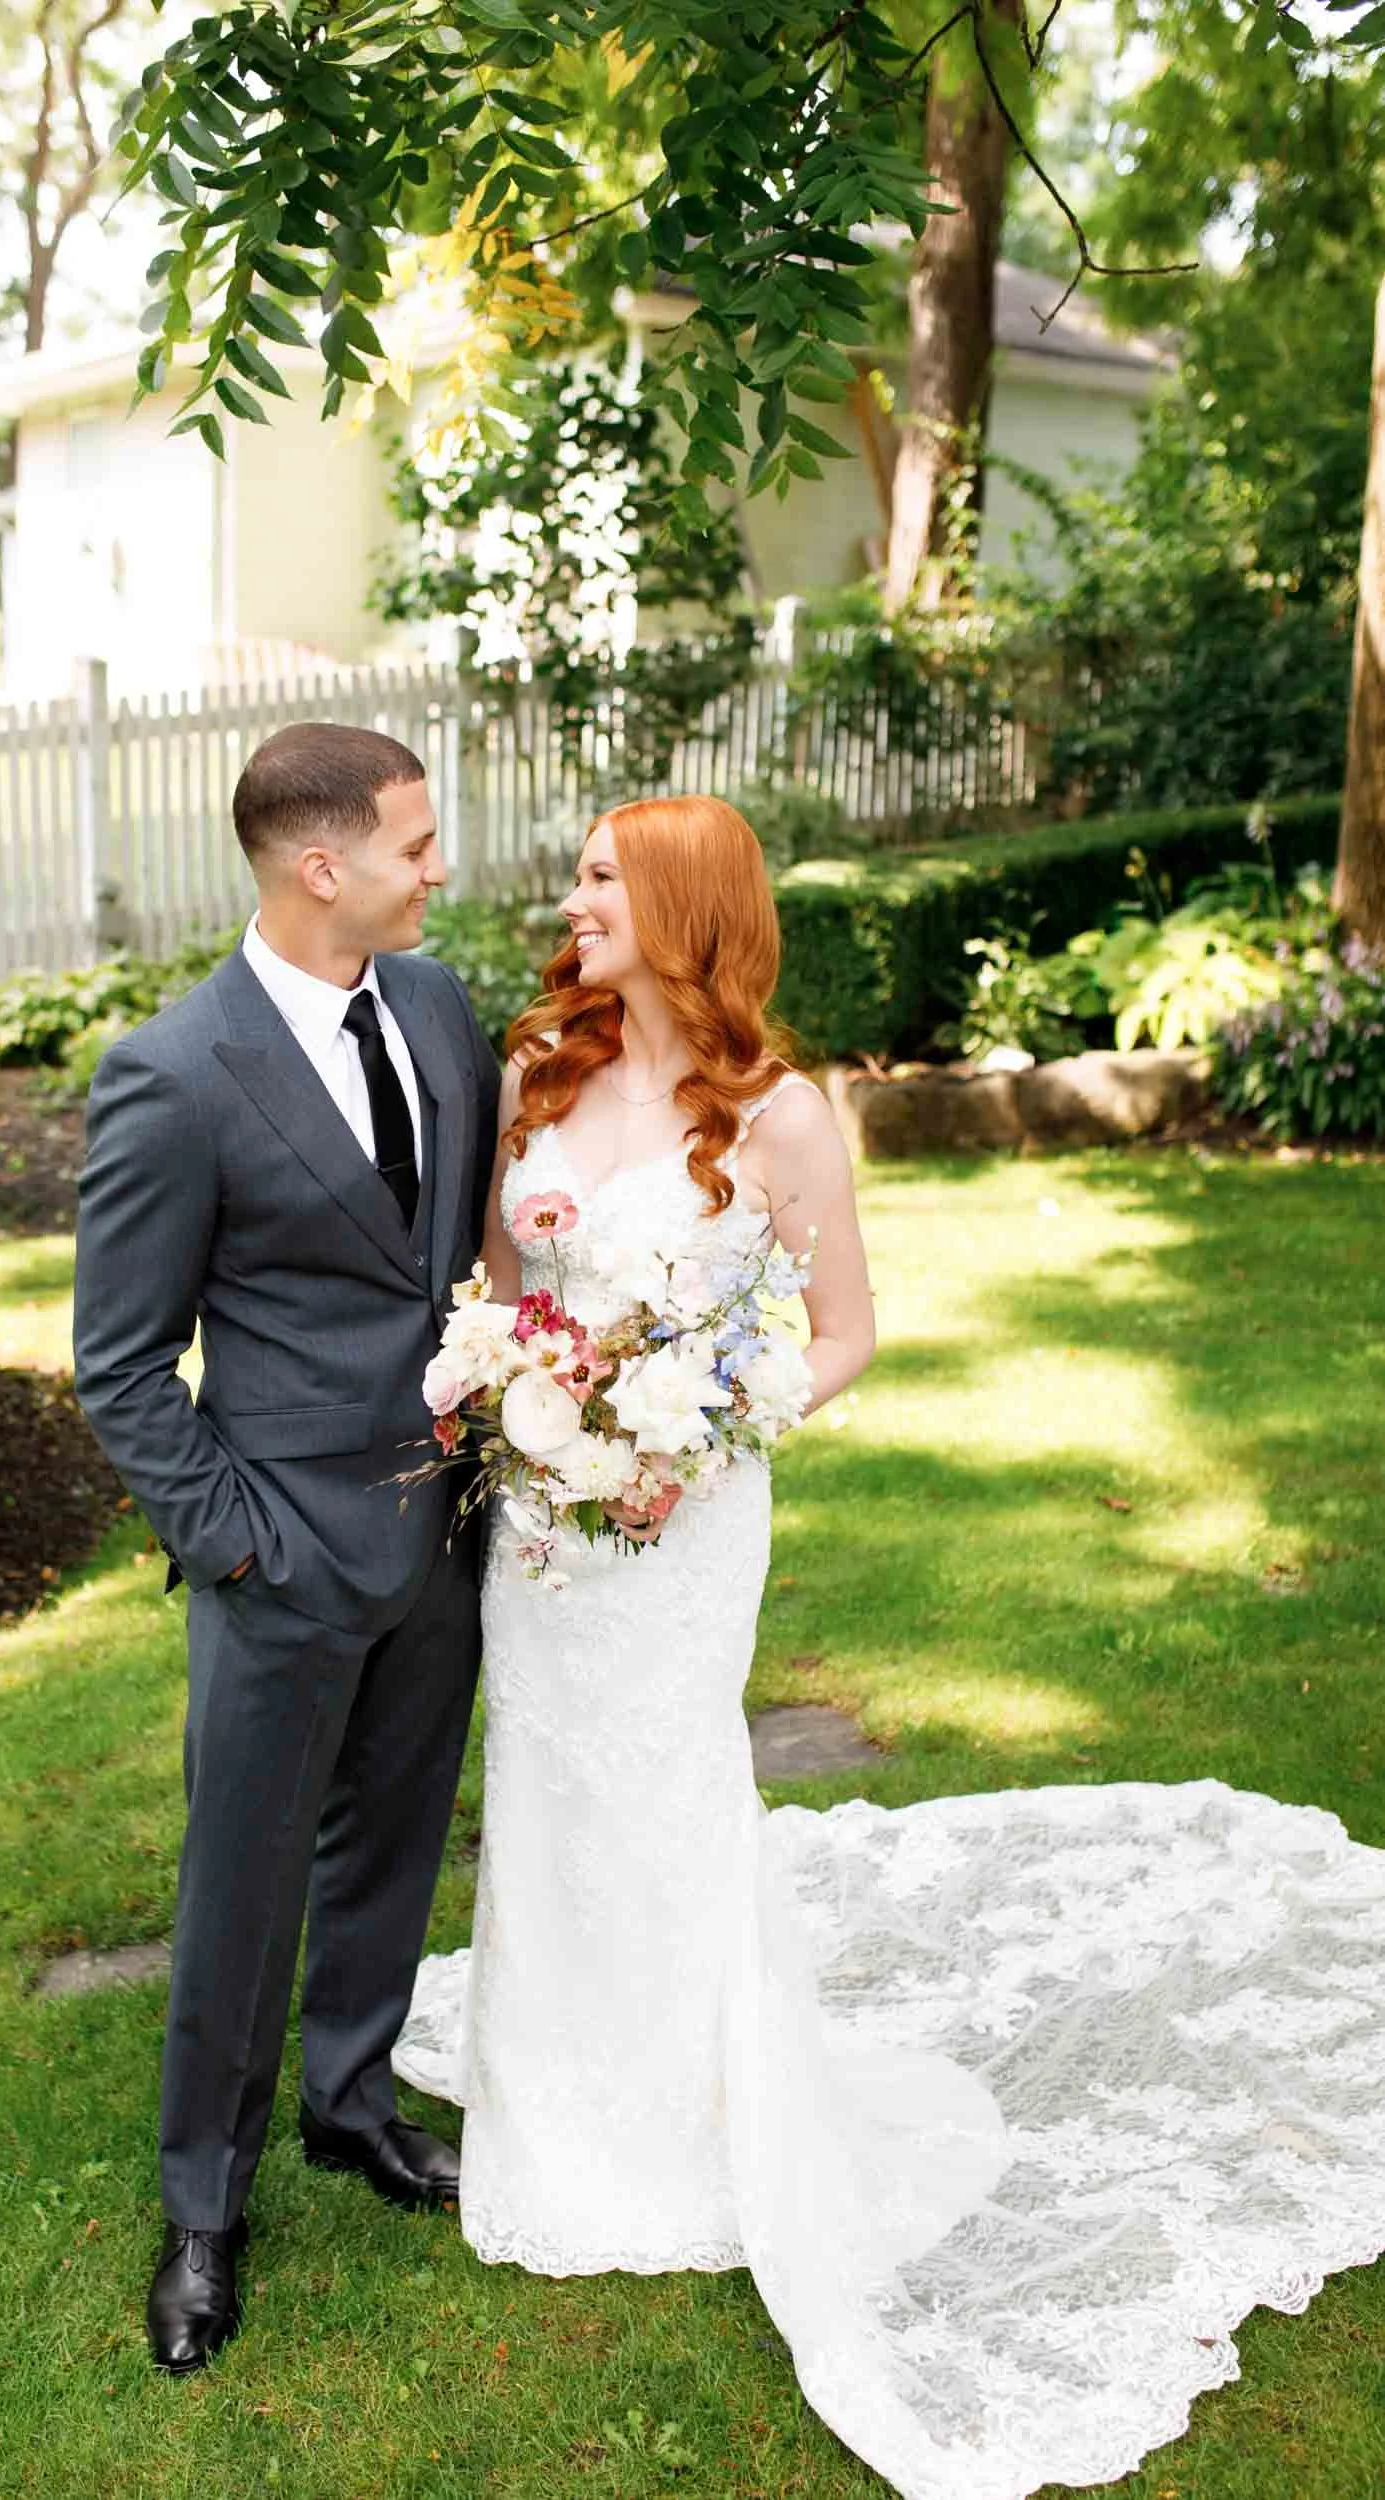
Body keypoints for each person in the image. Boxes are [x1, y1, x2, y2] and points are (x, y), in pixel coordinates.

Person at [392, 793, 1385, 2500]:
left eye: (603, 876)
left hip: (686, 1517)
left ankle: (700, 2109)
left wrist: (694, 1430)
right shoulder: (530, 1077)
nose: (573, 898)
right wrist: (524, 1408)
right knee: (549, 1788)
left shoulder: (781, 1116)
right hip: (546, 1513)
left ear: (688, 905)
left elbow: (842, 1332)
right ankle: (556, 2094)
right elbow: (496, 1300)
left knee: (668, 1783)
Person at [73, 722, 499, 2375]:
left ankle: (351, 2102)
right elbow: (119, 1363)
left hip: (442, 1538)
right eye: (413, 842)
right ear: (320, 865)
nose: (435, 867)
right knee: (240, 1886)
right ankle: (204, 2209)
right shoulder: (173, 1074)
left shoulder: (441, 1009)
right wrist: (238, 1543)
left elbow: (443, 1260)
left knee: (393, 1847)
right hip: (279, 1562)